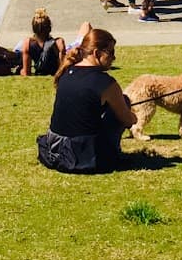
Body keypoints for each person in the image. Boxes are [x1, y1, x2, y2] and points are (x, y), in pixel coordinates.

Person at [39, 28, 137, 174]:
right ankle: (112, 151)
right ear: (97, 53)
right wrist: (132, 115)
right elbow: (128, 121)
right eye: (110, 53)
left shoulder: (66, 72)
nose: (114, 58)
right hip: (82, 156)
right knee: (124, 101)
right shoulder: (106, 83)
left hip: (55, 149)